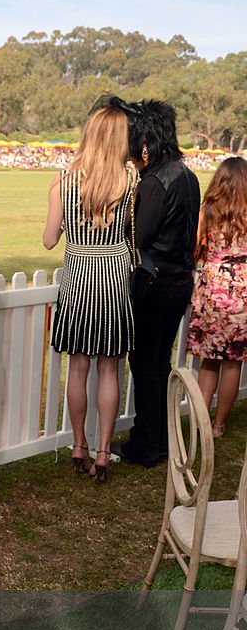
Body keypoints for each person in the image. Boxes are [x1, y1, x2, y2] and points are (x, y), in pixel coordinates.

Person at [43, 103, 137, 483]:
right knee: (110, 368)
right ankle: (102, 452)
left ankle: (79, 444)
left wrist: (70, 224)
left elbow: (49, 240)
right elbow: (133, 234)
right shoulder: (130, 180)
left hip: (79, 274)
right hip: (114, 276)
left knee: (78, 367)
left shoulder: (63, 181)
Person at [116, 100, 201, 466]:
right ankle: (158, 438)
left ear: (146, 140)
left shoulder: (154, 181)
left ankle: (147, 444)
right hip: (179, 279)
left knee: (147, 364)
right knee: (158, 363)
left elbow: (138, 235)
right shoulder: (186, 175)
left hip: (155, 280)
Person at [186, 157, 247, 437]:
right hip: (242, 289)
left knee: (209, 359)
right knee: (233, 362)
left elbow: (196, 248)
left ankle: (200, 420)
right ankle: (219, 424)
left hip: (212, 287)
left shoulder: (207, 210)